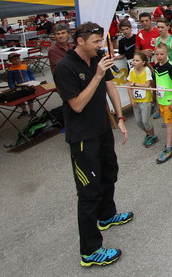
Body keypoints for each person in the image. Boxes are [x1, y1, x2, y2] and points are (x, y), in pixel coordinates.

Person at [53, 22, 131, 267]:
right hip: (83, 138)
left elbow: (110, 86)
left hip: (102, 130)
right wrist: (96, 75)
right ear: (80, 41)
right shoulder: (65, 67)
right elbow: (76, 105)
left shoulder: (98, 59)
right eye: (96, 42)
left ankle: (106, 215)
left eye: (101, 41)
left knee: (110, 174)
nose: (100, 46)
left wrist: (120, 118)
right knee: (88, 192)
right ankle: (89, 251)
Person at [153, 43, 172, 164]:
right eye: (157, 54)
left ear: (167, 54)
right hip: (161, 99)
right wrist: (156, 97)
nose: (159, 56)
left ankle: (169, 148)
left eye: (162, 54)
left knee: (168, 123)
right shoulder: (156, 67)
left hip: (169, 100)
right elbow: (157, 83)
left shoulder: (170, 67)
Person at [126, 51, 157, 147]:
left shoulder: (146, 70)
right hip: (136, 100)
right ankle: (148, 134)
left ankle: (152, 135)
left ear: (143, 62)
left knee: (145, 121)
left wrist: (135, 84)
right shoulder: (131, 70)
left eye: (137, 60)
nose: (134, 62)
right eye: (134, 60)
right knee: (139, 122)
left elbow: (147, 85)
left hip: (145, 99)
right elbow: (129, 86)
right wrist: (132, 100)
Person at [6, 53, 36, 118]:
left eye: (17, 59)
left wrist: (33, 82)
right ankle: (24, 111)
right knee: (21, 99)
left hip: (28, 85)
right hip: (19, 87)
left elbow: (31, 75)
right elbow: (10, 81)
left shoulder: (25, 66)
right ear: (10, 61)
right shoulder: (10, 70)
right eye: (14, 59)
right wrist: (12, 88)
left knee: (30, 98)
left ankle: (31, 110)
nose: (16, 60)